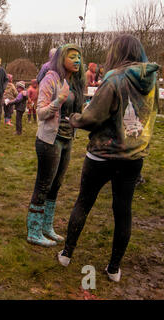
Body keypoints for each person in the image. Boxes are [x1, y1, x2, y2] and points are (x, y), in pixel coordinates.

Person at [58, 35, 159, 283]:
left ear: (118, 52)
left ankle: (66, 254)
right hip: (134, 156)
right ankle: (114, 269)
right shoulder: (152, 80)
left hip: (103, 155)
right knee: (123, 210)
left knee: (84, 202)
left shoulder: (115, 78)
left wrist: (74, 119)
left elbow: (93, 117)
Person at [26, 44, 85, 247]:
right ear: (62, 59)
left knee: (56, 185)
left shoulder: (74, 81)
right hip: (50, 140)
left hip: (67, 140)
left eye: (79, 57)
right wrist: (59, 100)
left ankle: (46, 227)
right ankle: (34, 231)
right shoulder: (51, 78)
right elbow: (41, 113)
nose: (77, 60)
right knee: (44, 184)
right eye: (72, 56)